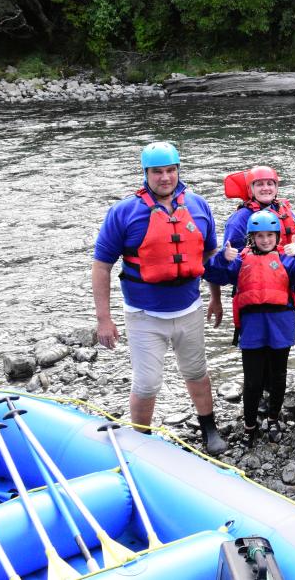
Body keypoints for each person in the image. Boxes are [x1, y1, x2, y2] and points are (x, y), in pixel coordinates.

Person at [92, 142, 227, 455]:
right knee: (147, 383)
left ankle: (209, 427)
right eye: (157, 171)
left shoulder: (198, 205)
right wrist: (104, 318)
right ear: (146, 174)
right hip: (144, 314)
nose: (165, 177)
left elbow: (209, 256)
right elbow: (101, 265)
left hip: (190, 309)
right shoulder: (124, 212)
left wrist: (215, 297)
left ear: (178, 170)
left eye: (170, 170)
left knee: (196, 371)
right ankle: (141, 438)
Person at [209, 210, 295, 445]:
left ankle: (272, 418)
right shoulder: (240, 259)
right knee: (252, 381)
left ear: (277, 236)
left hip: (280, 324)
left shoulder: (286, 258)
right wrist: (223, 258)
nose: (265, 240)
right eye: (259, 236)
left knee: (278, 376)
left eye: (270, 235)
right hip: (252, 327)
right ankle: (249, 425)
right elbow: (213, 274)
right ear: (251, 237)